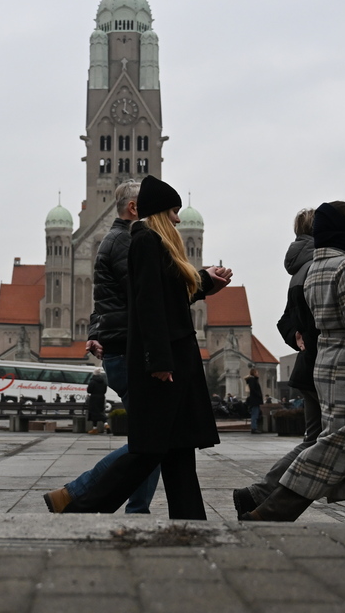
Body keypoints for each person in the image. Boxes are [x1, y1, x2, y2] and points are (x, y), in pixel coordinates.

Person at [44, 180, 230, 514]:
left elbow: (164, 294)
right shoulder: (141, 241)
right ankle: (80, 500)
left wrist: (202, 281)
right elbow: (148, 303)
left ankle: (189, 518)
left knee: (174, 446)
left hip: (167, 356)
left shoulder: (149, 242)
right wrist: (159, 360)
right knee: (153, 444)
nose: (178, 220)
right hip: (159, 360)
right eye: (174, 212)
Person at [241, 201, 345, 523]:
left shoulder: (316, 267)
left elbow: (333, 312)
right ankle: (269, 512)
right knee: (333, 449)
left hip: (327, 366)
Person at [86, 368, 107, 434]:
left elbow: (89, 390)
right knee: (100, 411)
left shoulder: (92, 381)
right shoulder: (103, 381)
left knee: (94, 412)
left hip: (94, 398)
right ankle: (104, 425)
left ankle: (98, 427)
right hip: (101, 397)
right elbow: (104, 390)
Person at [245, 367, 264, 434]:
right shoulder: (252, 380)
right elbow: (253, 389)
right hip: (255, 400)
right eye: (256, 372)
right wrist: (258, 395)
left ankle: (254, 427)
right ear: (254, 373)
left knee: (255, 414)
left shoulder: (253, 380)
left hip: (255, 400)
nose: (258, 373)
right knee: (255, 415)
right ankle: (254, 428)